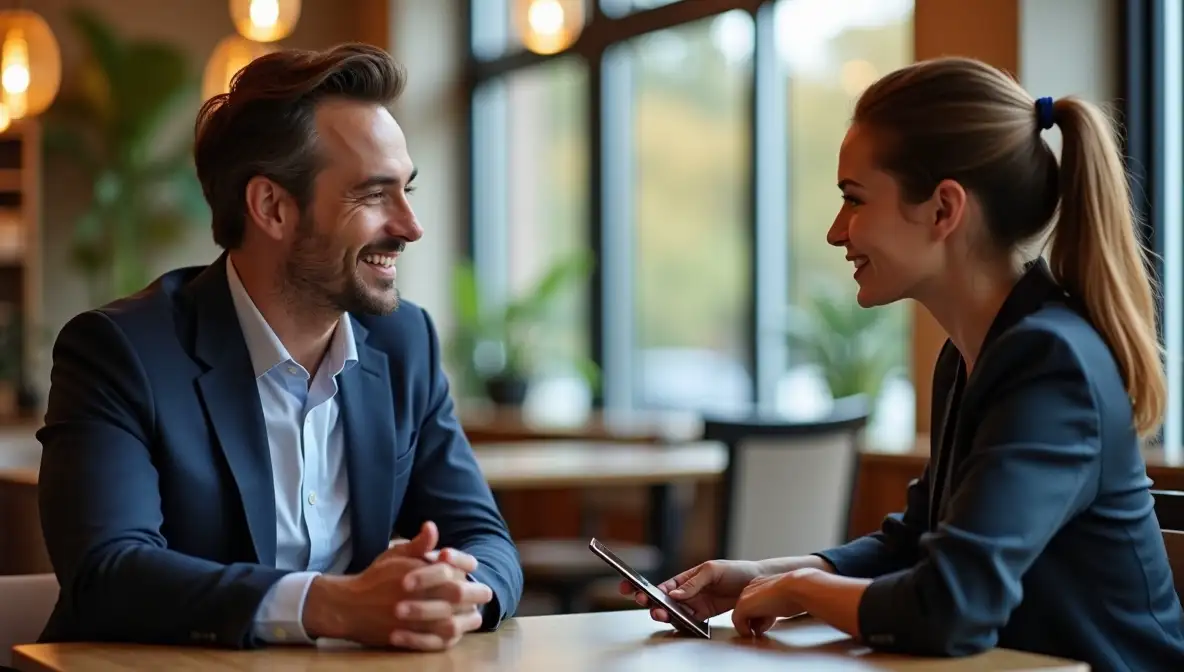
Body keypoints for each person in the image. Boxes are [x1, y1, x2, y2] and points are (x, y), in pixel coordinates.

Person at [623, 56, 1184, 670]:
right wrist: (764, 574)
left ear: (944, 210)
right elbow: (916, 543)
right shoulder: (971, 355)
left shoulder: (1051, 361)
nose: (837, 233)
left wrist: (801, 591)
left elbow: (951, 605)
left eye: (854, 200)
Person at [35, 43, 522, 651]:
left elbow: (485, 539)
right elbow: (106, 572)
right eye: (374, 195)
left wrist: (452, 599)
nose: (409, 226)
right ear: (271, 207)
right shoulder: (121, 351)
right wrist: (329, 603)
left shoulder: (405, 344)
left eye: (408, 191)